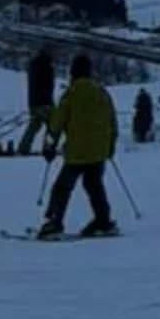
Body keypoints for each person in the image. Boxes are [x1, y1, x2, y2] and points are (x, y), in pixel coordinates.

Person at [38, 54, 119, 237]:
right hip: (99, 151)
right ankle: (103, 221)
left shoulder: (71, 93)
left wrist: (49, 146)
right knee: (94, 185)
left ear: (73, 72)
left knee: (62, 187)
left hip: (78, 150)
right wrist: (110, 145)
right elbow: (112, 120)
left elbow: (57, 123)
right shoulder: (102, 92)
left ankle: (54, 223)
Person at [18, 45, 57, 157]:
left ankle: (23, 148)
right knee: (53, 123)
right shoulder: (46, 67)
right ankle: (48, 148)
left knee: (35, 124)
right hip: (44, 103)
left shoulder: (34, 65)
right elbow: (47, 87)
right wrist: (49, 102)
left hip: (34, 102)